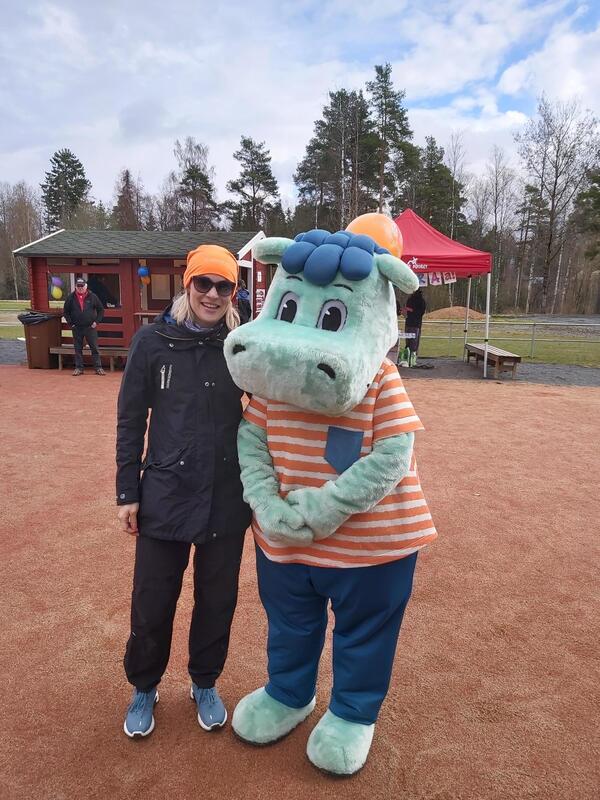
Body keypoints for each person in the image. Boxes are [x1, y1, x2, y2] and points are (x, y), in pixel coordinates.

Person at [116, 244, 251, 739]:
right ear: (187, 284)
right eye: (204, 283)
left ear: (233, 291)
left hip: (226, 496)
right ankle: (144, 686)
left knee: (217, 600)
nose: (212, 295)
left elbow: (268, 413)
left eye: (223, 286)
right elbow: (131, 419)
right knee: (152, 600)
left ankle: (205, 682)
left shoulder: (242, 346)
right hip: (165, 494)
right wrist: (127, 492)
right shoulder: (151, 342)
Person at [63, 277, 105, 376]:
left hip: (90, 327)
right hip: (77, 327)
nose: (80, 288)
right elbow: (66, 312)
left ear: (86, 286)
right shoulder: (70, 298)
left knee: (94, 348)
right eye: (78, 286)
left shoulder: (93, 296)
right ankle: (79, 368)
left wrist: (96, 322)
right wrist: (71, 323)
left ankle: (98, 368)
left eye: (82, 286)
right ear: (76, 287)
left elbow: (101, 310)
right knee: (78, 349)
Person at [399, 288, 426, 367]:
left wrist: (411, 310)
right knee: (409, 342)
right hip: (409, 323)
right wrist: (404, 312)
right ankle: (407, 358)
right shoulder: (410, 299)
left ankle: (412, 359)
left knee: (413, 342)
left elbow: (420, 313)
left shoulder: (421, 301)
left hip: (415, 324)